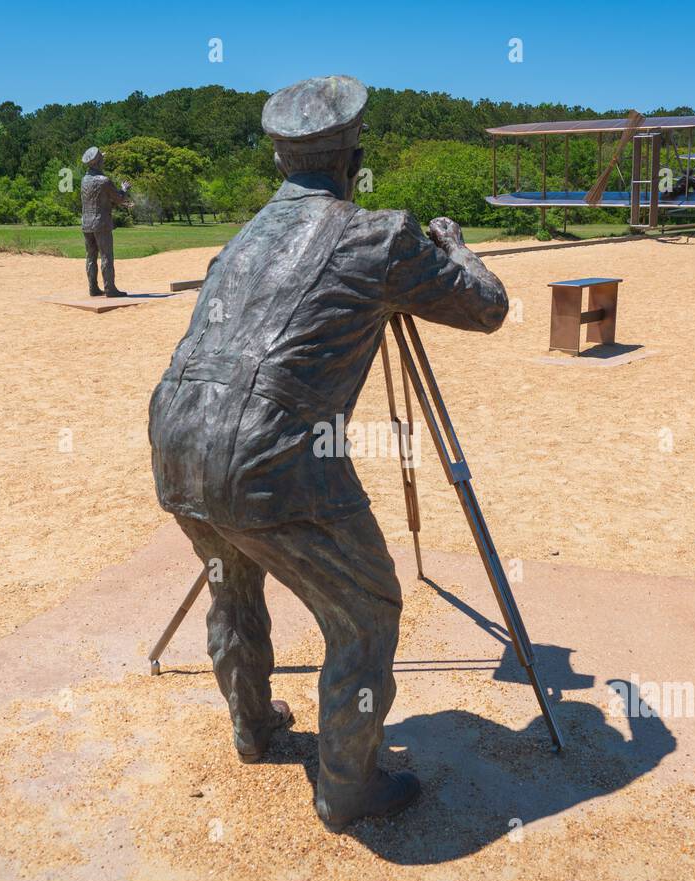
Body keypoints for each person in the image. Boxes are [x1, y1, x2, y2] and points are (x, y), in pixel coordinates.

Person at [148, 75, 508, 831]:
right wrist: (456, 248)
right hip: (271, 454)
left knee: (232, 583)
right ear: (356, 157)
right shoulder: (381, 234)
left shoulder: (242, 238)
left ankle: (253, 729)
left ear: (279, 159)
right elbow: (488, 308)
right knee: (366, 616)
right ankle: (349, 789)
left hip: (177, 434)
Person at [80, 146, 132, 297]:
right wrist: (124, 189)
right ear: (97, 163)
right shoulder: (104, 181)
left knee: (90, 256)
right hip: (101, 223)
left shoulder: (84, 180)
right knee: (106, 255)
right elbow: (119, 198)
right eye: (101, 159)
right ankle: (110, 289)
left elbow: (98, 201)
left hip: (86, 223)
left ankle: (93, 288)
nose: (103, 161)